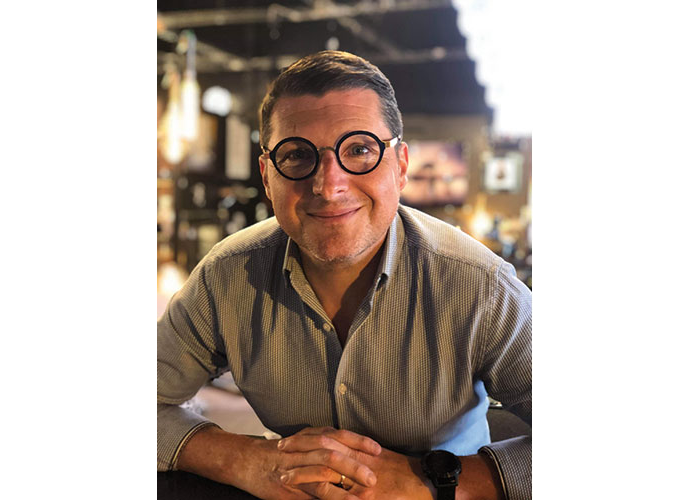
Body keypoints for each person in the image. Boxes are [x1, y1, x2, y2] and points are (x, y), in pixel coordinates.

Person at [158, 50, 532, 500]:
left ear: (401, 166)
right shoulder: (226, 276)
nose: (328, 185)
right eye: (297, 155)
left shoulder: (481, 286)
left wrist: (432, 480)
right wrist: (245, 458)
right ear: (267, 176)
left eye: (359, 150)